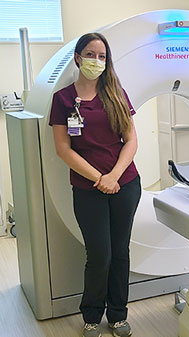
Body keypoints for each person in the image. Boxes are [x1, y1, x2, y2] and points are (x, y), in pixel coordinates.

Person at [49, 32, 141, 337]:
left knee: (120, 253)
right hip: (89, 189)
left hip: (125, 184)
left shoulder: (116, 93)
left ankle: (117, 316)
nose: (96, 61)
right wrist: (100, 179)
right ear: (78, 57)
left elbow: (131, 140)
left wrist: (114, 176)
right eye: (90, 55)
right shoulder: (62, 99)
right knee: (99, 254)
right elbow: (63, 149)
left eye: (102, 56)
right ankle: (91, 315)